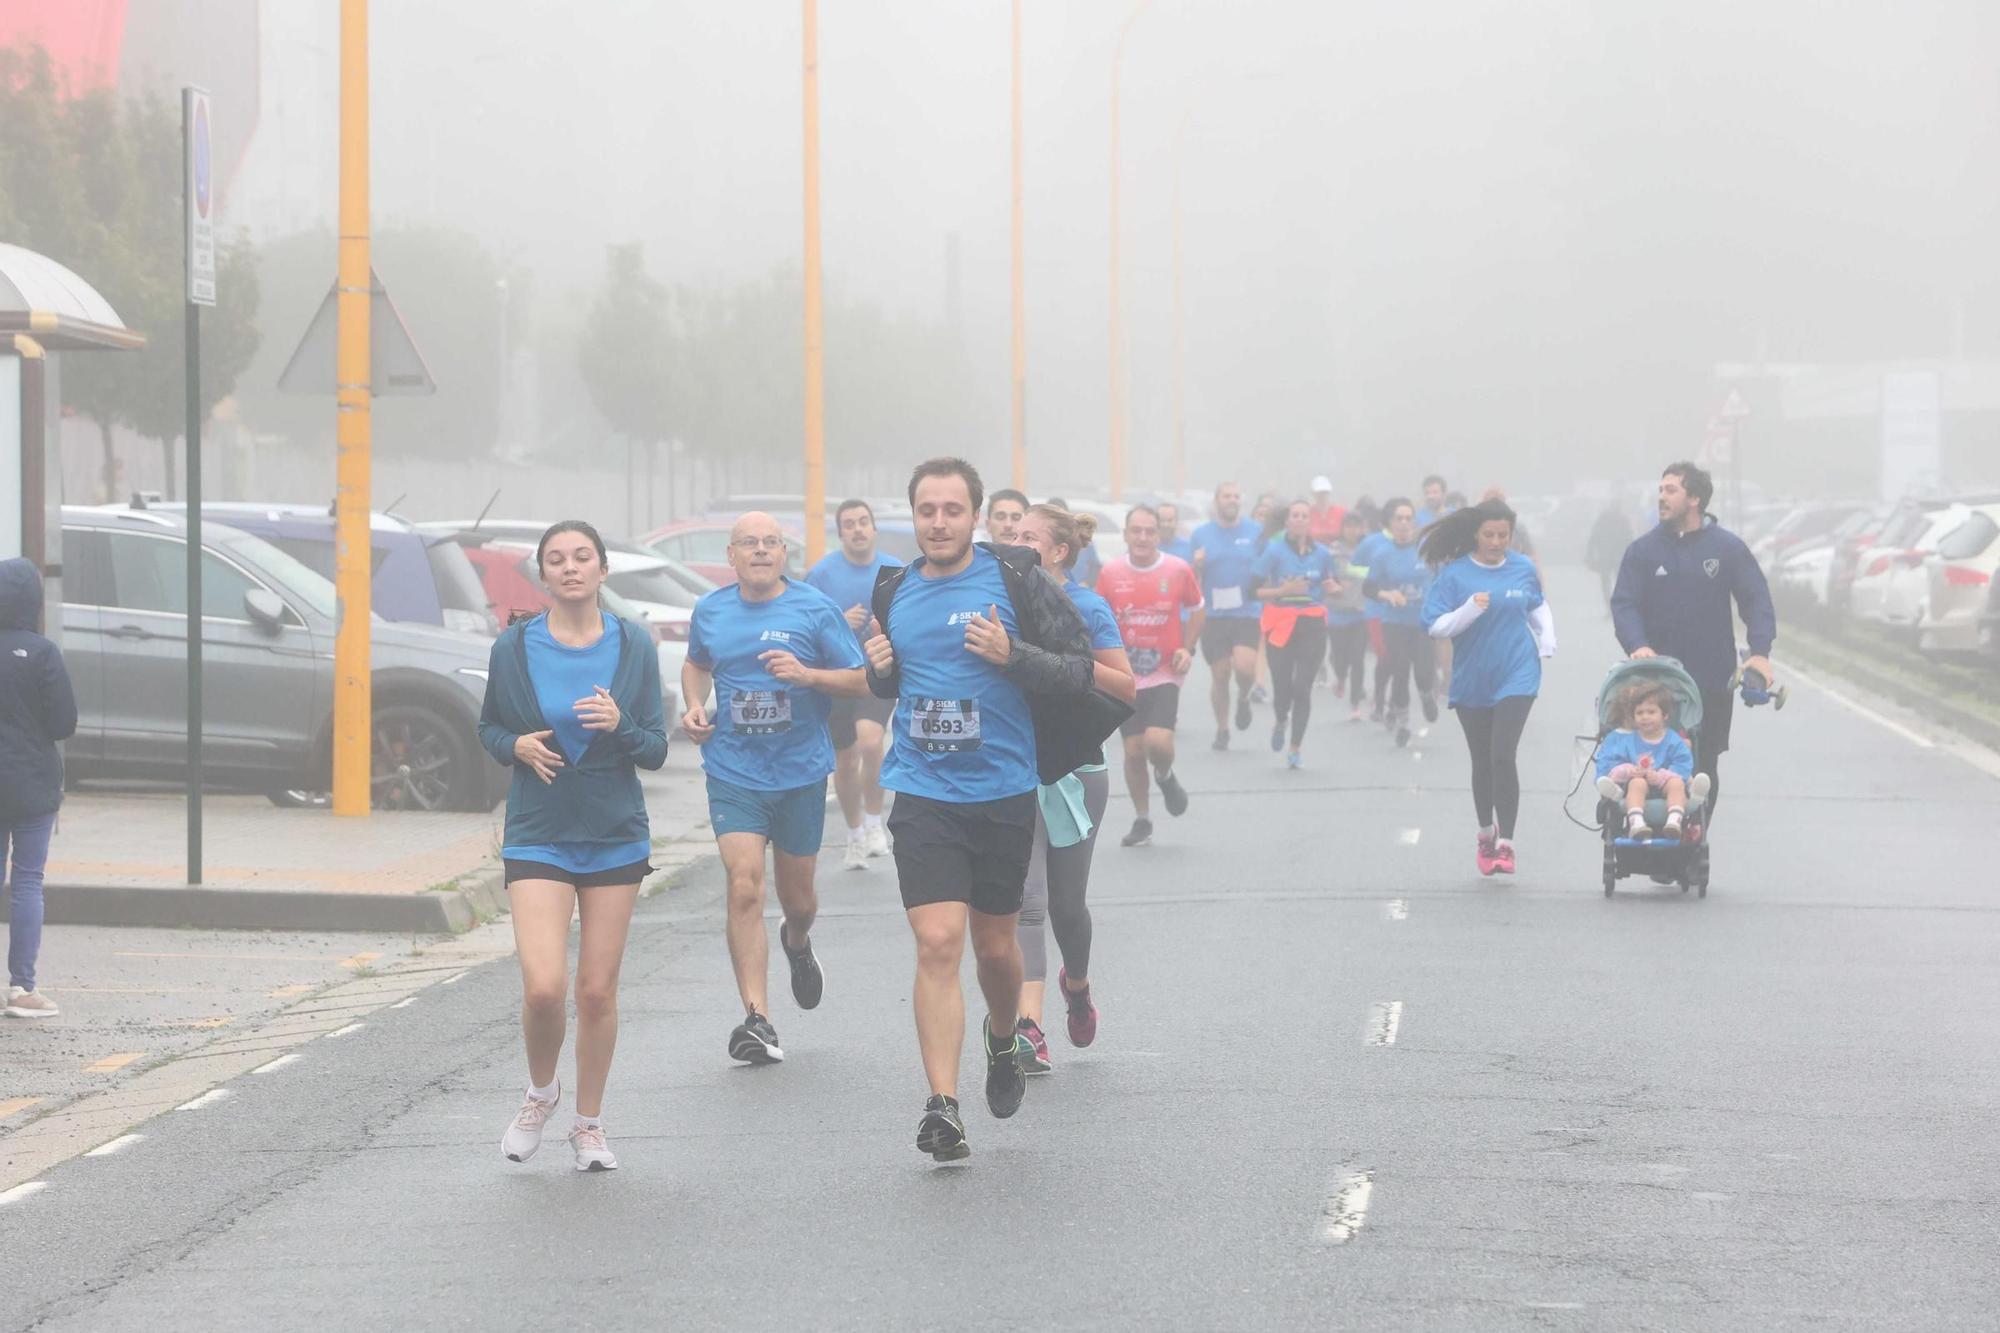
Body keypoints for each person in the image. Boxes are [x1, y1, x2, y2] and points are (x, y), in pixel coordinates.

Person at [864, 458, 1100, 1162]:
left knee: (996, 949)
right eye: (926, 510)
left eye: (952, 510)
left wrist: (1012, 653)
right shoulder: (895, 589)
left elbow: (1079, 669)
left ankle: (1004, 1036)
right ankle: (943, 1104)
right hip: (923, 793)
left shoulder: (1016, 580)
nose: (938, 522)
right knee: (937, 942)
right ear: (913, 516)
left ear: (974, 516)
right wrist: (881, 671)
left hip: (1000, 792)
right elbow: (896, 680)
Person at [481, 521, 669, 1172]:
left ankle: (587, 1123)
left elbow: (656, 747)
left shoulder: (634, 646)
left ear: (602, 568)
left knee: (595, 990)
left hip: (614, 830)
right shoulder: (514, 646)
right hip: (539, 827)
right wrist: (516, 745)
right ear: (543, 573)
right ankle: (541, 1091)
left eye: (581, 556)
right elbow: (489, 726)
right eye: (556, 559)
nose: (569, 567)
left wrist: (620, 726)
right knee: (543, 987)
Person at [683, 512, 868, 1066]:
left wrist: (808, 676)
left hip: (799, 773)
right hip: (734, 770)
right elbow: (696, 665)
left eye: (770, 543)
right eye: (749, 543)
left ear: (783, 553)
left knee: (800, 900)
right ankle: (757, 1019)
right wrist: (695, 705)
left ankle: (797, 940)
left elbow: (861, 677)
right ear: (731, 555)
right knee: (743, 887)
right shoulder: (711, 610)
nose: (761, 551)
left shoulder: (814, 609)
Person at [1010, 504, 1136, 1071]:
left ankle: (1077, 986)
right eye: (1010, 534)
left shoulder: (1087, 606)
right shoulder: (1000, 602)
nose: (1015, 542)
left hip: (1077, 772)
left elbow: (1124, 686)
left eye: (1028, 537)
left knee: (1066, 907)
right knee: (1027, 901)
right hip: (1014, 770)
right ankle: (1027, 1026)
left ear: (1059, 551)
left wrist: (1059, 664)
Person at [1610, 461, 1775, 816]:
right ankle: (1650, 831)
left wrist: (1760, 652)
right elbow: (1624, 604)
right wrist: (1637, 644)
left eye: (1671, 490)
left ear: (1695, 499)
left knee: (1704, 768)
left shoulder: (1727, 549)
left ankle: (1693, 839)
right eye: (1661, 490)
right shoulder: (1642, 551)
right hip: (1655, 680)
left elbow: (1756, 599)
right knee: (1652, 762)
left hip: (1712, 678)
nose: (1661, 498)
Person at [1420, 500, 1555, 877]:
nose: (1497, 542)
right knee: (1482, 761)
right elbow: (1434, 625)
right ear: (1475, 536)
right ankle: (1485, 832)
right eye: (1489, 535)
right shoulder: (1454, 575)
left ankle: (1507, 843)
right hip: (1474, 678)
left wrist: (1548, 638)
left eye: (1503, 535)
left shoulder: (1522, 568)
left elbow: (1536, 606)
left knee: (1502, 755)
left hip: (1517, 672)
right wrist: (1467, 611)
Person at [1098, 505, 1204, 846]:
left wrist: (1187, 648)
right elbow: (1098, 621)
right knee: (1132, 752)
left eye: (1149, 531)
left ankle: (1165, 773)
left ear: (1158, 535)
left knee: (1157, 742)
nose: (1143, 537)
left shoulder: (1176, 569)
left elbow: (1198, 608)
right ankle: (1142, 819)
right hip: (1125, 676)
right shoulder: (1111, 573)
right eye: (1136, 531)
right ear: (1126, 535)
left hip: (1164, 673)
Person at [805, 499, 900, 869]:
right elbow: (806, 629)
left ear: (873, 528)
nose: (858, 529)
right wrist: (839, 621)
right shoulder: (822, 575)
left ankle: (876, 823)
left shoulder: (893, 569)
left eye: (864, 521)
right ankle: (855, 831)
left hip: (877, 672)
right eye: (850, 524)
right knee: (845, 759)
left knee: (871, 739)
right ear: (840, 532)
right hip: (838, 677)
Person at [2, 559, 77, 1020]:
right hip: (32, 784)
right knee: (27, 881)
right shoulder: (43, 653)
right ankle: (22, 988)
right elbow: (63, 723)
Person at [1251, 501, 1340, 768]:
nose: (1300, 520)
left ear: (1309, 521)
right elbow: (1251, 590)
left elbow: (1332, 583)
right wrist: (1282, 591)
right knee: (1282, 686)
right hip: (1281, 622)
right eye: (1295, 515)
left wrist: (1334, 588)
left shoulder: (1322, 553)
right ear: (1287, 522)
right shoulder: (1274, 551)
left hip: (1312, 624)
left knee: (1302, 688)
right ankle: (1280, 720)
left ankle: (1295, 748)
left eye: (1304, 515)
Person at [1189, 482, 1262, 749]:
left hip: (1246, 611)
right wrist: (1196, 564)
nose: (1231, 500)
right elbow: (1190, 578)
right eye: (1226, 496)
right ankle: (1222, 729)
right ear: (1216, 501)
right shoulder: (1201, 534)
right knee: (1220, 673)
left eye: (1235, 496)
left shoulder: (1255, 532)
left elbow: (1266, 567)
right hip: (1215, 615)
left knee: (1244, 668)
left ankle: (1243, 697)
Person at [1362, 499, 1438, 747]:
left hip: (1423, 621)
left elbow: (1444, 578)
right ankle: (1403, 721)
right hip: (1393, 621)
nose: (1404, 524)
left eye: (1408, 518)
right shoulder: (1382, 554)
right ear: (1390, 524)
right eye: (1399, 519)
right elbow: (1369, 587)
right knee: (1401, 670)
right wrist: (1388, 595)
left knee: (1424, 671)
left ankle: (1428, 694)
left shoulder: (1427, 550)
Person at [1595, 682, 1705, 840]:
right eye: (1639, 713)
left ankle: (1674, 820)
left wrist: (1661, 777)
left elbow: (1682, 763)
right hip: (1638, 782)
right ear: (1633, 716)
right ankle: (1637, 822)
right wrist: (1630, 771)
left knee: (1677, 784)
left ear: (1664, 715)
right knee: (1636, 784)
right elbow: (1616, 763)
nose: (1645, 717)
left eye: (1651, 712)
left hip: (1665, 782)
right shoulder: (1628, 741)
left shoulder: (1673, 740)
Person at [1325, 512, 1372, 720]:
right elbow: (1324, 573)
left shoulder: (1369, 549)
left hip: (1361, 610)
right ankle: (1340, 676)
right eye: (1348, 526)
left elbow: (1377, 571)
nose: (1352, 531)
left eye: (1356, 526)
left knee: (1358, 658)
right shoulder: (1333, 550)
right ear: (1342, 529)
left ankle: (1355, 704)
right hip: (1338, 610)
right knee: (1340, 657)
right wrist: (1335, 580)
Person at [1585, 501, 1634, 610]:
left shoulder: (1605, 519)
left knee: (1607, 582)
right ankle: (1615, 606)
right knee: (1617, 582)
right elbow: (1629, 538)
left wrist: (1589, 554)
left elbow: (1593, 536)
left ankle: (1611, 607)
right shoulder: (1622, 519)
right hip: (1615, 556)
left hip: (1607, 556)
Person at [1307, 477, 1346, 545]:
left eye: (1324, 492)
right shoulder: (1307, 513)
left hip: (1337, 552)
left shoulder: (1341, 512)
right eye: (1318, 492)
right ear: (1313, 494)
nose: (1322, 495)